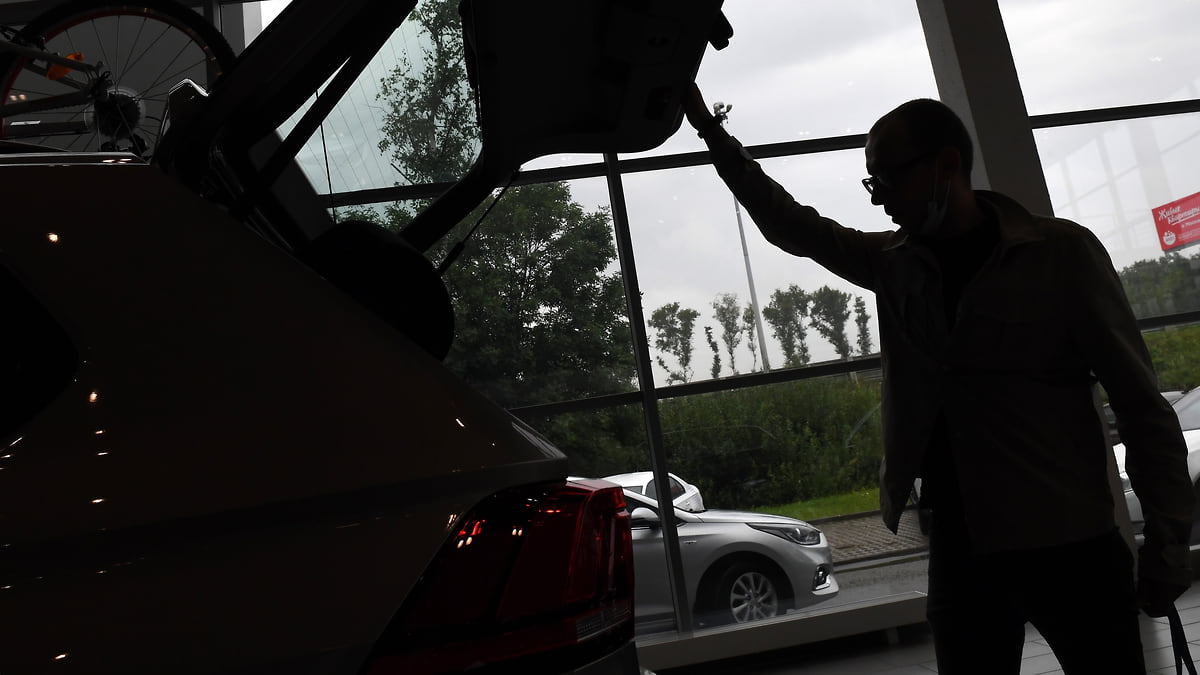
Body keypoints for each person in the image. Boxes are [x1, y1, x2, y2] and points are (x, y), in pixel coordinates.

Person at [682, 83, 1194, 674]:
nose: (879, 200)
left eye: (887, 179)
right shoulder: (896, 263)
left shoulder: (1061, 255)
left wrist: (1169, 544)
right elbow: (788, 224)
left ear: (947, 164)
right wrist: (710, 130)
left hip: (1069, 546)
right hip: (966, 544)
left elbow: (1141, 406)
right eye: (871, 184)